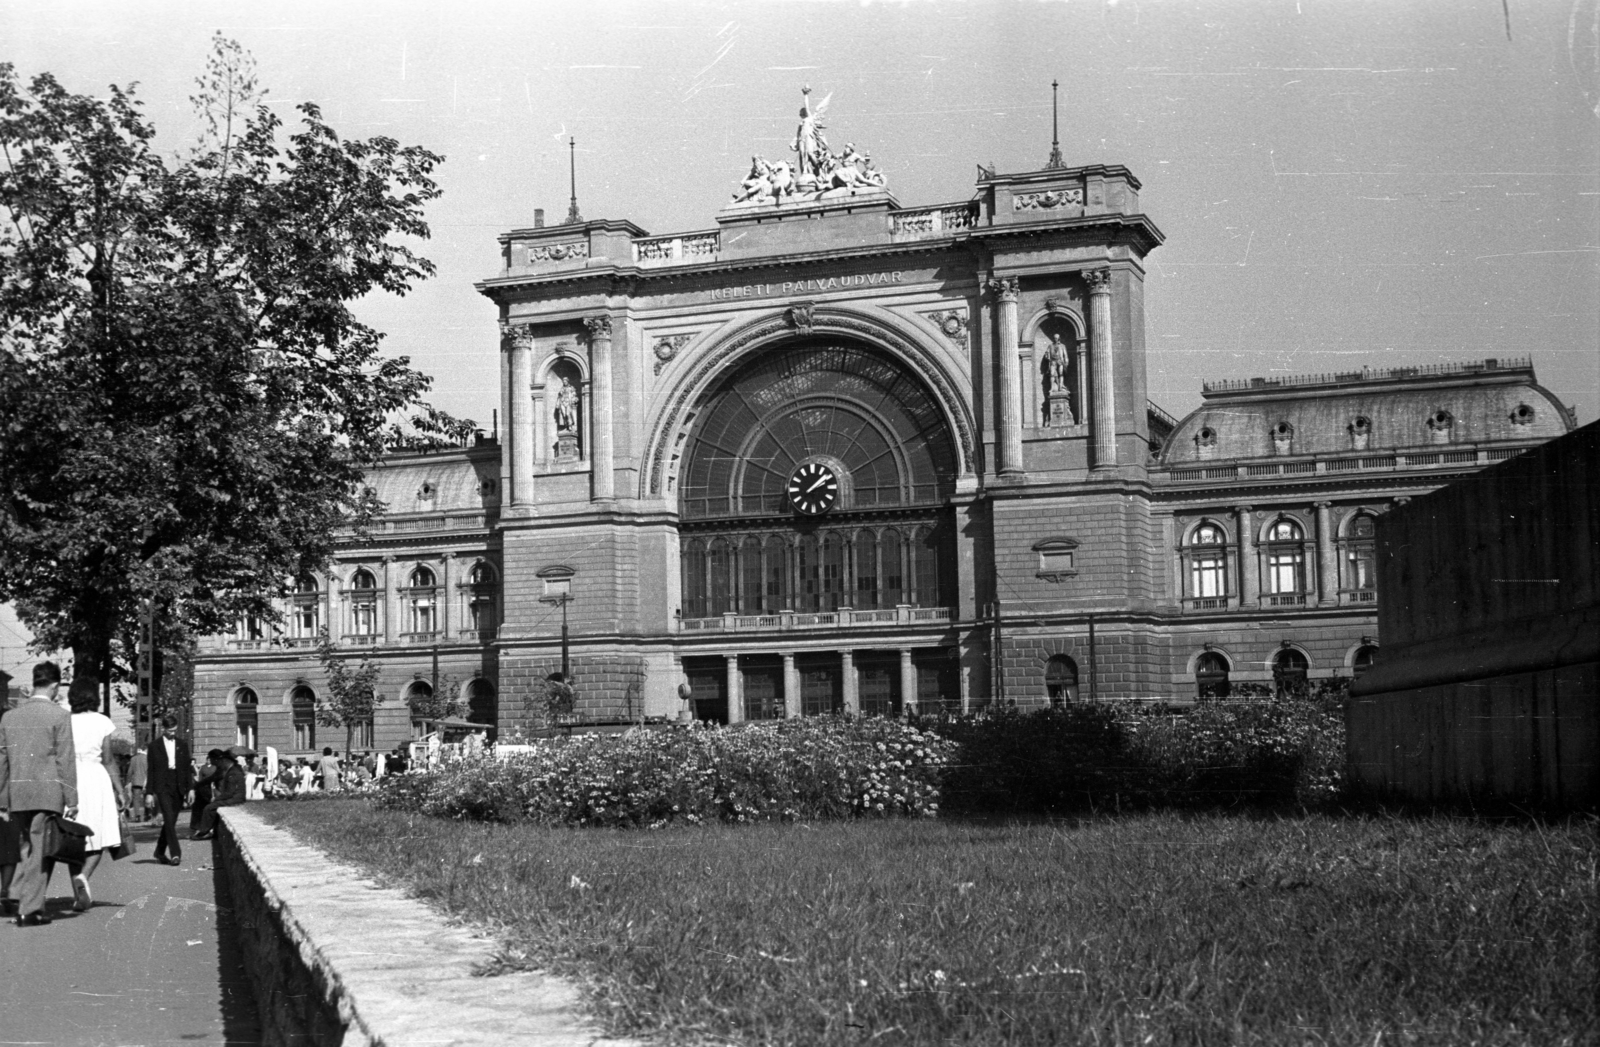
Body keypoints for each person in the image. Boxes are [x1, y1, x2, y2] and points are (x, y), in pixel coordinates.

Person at [0, 662, 79, 925]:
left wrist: (2, 798)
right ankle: (29, 910)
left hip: (18, 792)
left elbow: (2, 762)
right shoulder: (59, 716)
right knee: (40, 850)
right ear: (55, 686)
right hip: (48, 793)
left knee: (24, 847)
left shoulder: (9, 717)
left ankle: (16, 898)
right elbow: (65, 760)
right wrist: (72, 799)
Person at [61, 677, 125, 911]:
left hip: (70, 779)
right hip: (96, 779)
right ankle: (84, 879)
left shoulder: (64, 720)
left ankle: (78, 894)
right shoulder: (102, 721)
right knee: (99, 837)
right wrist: (119, 790)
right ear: (94, 696)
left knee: (73, 839)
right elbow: (108, 760)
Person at [145, 714, 194, 867]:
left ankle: (159, 851)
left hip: (178, 784)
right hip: (162, 785)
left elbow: (187, 769)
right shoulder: (154, 746)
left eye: (175, 730)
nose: (173, 733)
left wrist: (191, 789)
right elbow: (151, 771)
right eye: (170, 731)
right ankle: (175, 854)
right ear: (164, 729)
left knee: (171, 821)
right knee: (168, 816)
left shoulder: (182, 744)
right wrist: (149, 793)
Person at [191, 749, 245, 840]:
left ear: (223, 761)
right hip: (231, 796)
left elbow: (229, 793)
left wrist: (216, 799)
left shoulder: (233, 772)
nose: (216, 766)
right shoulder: (227, 769)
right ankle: (201, 827)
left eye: (215, 762)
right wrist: (196, 786)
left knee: (209, 808)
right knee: (204, 800)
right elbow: (212, 778)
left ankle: (204, 832)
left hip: (235, 798)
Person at [126, 744, 148, 824]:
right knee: (147, 797)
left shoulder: (133, 758)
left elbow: (129, 772)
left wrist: (128, 782)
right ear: (146, 750)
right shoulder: (148, 758)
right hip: (146, 781)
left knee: (136, 799)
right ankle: (147, 814)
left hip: (136, 781)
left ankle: (137, 815)